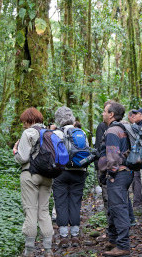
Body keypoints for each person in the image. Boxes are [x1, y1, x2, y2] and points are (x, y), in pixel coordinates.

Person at [13, 107, 54, 257]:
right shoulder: (50, 133)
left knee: (30, 210)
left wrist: (15, 151)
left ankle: (29, 251)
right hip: (48, 175)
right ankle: (48, 250)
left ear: (30, 120)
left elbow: (23, 158)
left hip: (30, 174)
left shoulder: (28, 133)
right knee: (44, 211)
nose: (23, 125)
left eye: (24, 121)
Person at [98, 101, 132, 257]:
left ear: (111, 114)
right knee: (114, 208)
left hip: (118, 174)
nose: (103, 114)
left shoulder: (112, 131)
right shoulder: (123, 128)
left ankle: (123, 246)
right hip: (126, 172)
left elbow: (112, 157)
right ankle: (113, 240)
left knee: (118, 210)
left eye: (105, 111)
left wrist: (110, 174)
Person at [52, 106, 87, 248]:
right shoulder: (81, 132)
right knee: (75, 202)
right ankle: (75, 236)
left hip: (61, 172)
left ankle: (64, 236)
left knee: (60, 202)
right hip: (79, 171)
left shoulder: (56, 133)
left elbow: (52, 154)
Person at [127, 110, 142, 213]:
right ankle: (139, 203)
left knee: (137, 179)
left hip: (137, 156)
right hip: (141, 156)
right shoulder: (141, 126)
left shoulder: (134, 127)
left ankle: (137, 203)